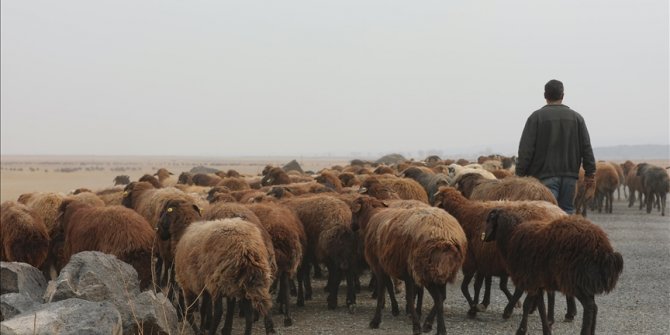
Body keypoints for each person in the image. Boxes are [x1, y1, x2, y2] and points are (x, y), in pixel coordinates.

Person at [516, 79, 596, 214]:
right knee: (566, 213)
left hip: (542, 177)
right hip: (570, 176)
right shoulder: (577, 118)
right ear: (562, 95)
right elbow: (586, 147)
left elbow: (525, 150)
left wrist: (519, 174)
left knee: (546, 214)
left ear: (545, 96)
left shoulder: (536, 118)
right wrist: (590, 173)